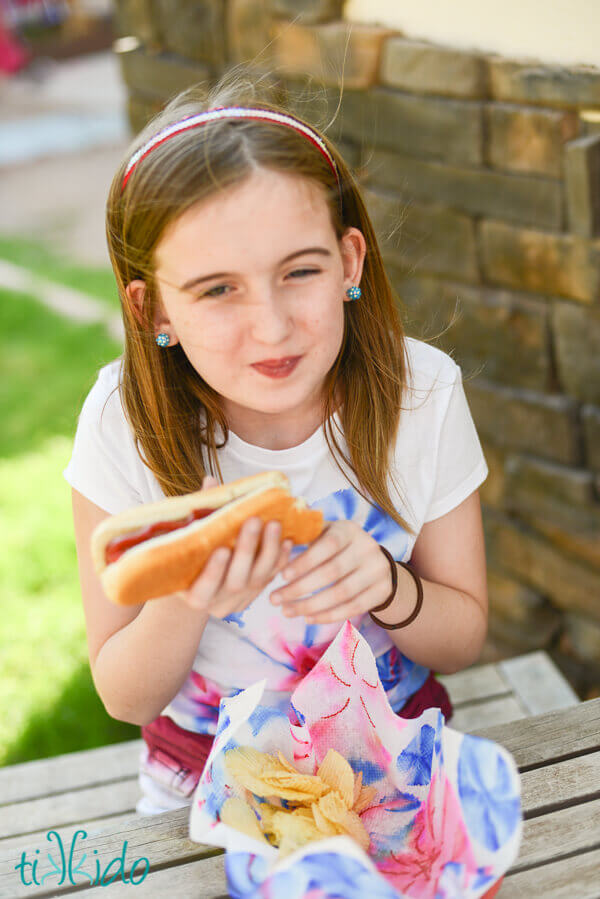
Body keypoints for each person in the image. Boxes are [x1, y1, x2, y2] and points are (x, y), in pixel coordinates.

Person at [63, 73, 489, 816]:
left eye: (299, 271)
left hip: (398, 765)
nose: (272, 325)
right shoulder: (121, 422)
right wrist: (186, 600)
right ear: (152, 306)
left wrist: (389, 586)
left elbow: (463, 640)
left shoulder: (421, 393)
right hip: (203, 781)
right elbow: (124, 694)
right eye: (217, 289)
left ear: (349, 263)